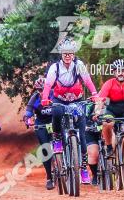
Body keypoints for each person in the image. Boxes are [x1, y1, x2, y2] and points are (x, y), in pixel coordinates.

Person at [40, 38, 99, 184]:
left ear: (73, 54)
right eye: (65, 53)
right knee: (56, 112)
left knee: (82, 134)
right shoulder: (55, 68)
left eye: (70, 53)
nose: (67, 56)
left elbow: (87, 81)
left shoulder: (78, 65)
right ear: (61, 54)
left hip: (77, 99)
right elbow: (48, 84)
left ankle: (84, 169)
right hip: (60, 99)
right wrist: (45, 98)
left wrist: (95, 94)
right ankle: (58, 137)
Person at [24, 76, 56, 190]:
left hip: (54, 122)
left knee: (62, 139)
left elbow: (63, 105)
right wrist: (27, 119)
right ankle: (49, 177)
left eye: (44, 89)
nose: (42, 92)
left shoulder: (54, 94)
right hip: (41, 124)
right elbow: (28, 111)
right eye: (40, 90)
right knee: (45, 149)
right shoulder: (35, 98)